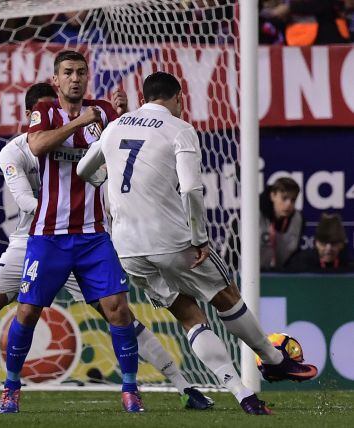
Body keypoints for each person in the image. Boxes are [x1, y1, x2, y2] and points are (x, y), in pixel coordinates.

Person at [0, 82, 212, 413]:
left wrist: (120, 116)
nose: (59, 119)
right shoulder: (14, 151)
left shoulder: (91, 134)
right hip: (33, 240)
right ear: (33, 116)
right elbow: (26, 202)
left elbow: (119, 154)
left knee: (120, 313)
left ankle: (183, 385)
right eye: (48, 113)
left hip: (85, 237)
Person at [77, 71, 319, 415]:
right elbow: (190, 188)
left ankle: (242, 394)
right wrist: (200, 237)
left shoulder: (116, 126)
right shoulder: (179, 129)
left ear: (145, 97)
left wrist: (106, 178)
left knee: (189, 316)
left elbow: (85, 169)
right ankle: (273, 358)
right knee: (226, 296)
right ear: (178, 98)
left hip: (128, 248)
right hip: (171, 239)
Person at [0, 50, 140, 415]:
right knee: (27, 312)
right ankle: (11, 386)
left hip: (93, 234)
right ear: (56, 80)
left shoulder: (103, 110)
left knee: (119, 310)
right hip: (48, 234)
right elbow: (38, 145)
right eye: (68, 73)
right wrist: (80, 124)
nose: (75, 78)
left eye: (81, 72)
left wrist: (125, 114)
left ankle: (130, 389)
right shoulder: (44, 111)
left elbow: (126, 146)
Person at [225, 177, 304, 272]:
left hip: (277, 278)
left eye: (293, 200)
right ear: (273, 195)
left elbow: (292, 258)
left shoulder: (298, 220)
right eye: (284, 198)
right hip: (243, 275)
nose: (288, 204)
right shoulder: (248, 216)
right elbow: (230, 257)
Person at [285, 213, 354, 273]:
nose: (328, 248)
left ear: (341, 244)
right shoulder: (300, 265)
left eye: (333, 243)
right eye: (323, 243)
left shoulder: (350, 268)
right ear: (316, 243)